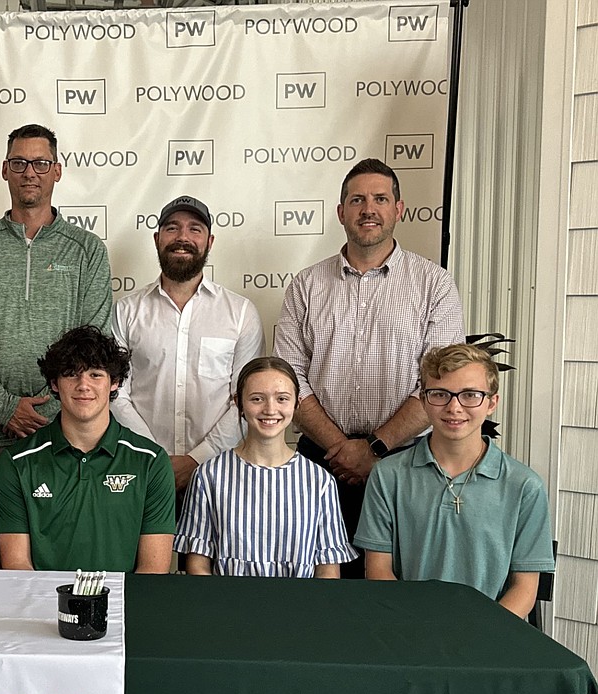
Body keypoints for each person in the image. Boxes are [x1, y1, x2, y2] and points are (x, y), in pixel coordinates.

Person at [273, 157, 465, 577]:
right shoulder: (306, 285)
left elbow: (440, 382)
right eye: (357, 199)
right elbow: (289, 379)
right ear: (341, 212)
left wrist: (374, 449)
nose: (368, 209)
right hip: (318, 464)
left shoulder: (434, 284)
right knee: (316, 587)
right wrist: (341, 449)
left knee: (398, 591)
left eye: (380, 198)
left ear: (399, 208)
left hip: (407, 461)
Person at [0, 123, 113, 465]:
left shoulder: (87, 250)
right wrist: (6, 407)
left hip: (63, 434)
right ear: (5, 170)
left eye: (40, 163)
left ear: (57, 171)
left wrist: (47, 409)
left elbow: (94, 341)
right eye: (19, 163)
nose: (29, 173)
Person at [357, 344, 554, 618]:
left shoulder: (524, 486)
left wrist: (480, 637)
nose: (454, 407)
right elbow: (378, 570)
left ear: (491, 403)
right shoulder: (388, 476)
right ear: (424, 400)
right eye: (440, 394)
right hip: (409, 629)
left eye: (470, 395)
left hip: (488, 637)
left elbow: (524, 587)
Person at [112, 195, 264, 494]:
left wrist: (197, 459)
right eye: (172, 228)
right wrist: (155, 457)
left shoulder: (241, 313)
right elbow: (116, 393)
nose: (183, 237)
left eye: (195, 229)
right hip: (141, 472)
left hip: (220, 474)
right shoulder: (126, 311)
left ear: (210, 241)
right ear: (157, 239)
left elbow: (246, 401)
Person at [0, 326, 175, 573]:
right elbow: (17, 565)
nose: (83, 385)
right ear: (54, 384)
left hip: (123, 609)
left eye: (95, 375)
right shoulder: (16, 462)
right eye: (71, 374)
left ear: (115, 382)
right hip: (46, 608)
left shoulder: (151, 462)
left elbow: (152, 571)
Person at [176, 356, 355, 578]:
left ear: (297, 404)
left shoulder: (319, 481)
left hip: (300, 608)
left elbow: (328, 570)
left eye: (282, 399)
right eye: (257, 399)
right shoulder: (209, 476)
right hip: (226, 607)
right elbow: (198, 565)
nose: (270, 409)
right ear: (238, 404)